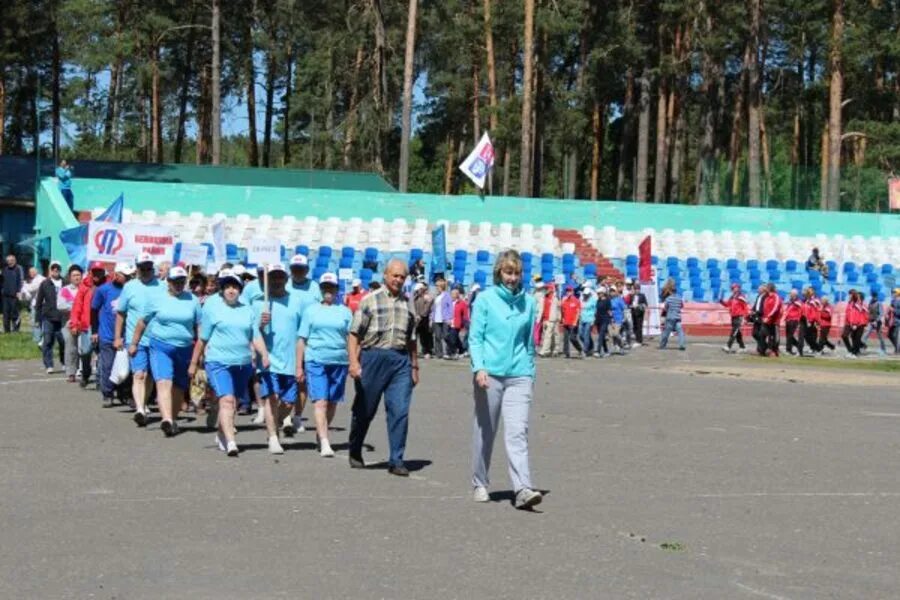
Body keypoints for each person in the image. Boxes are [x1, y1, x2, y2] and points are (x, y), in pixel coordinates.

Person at [468, 249, 542, 509]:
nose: (513, 278)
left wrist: (530, 371)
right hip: (490, 375)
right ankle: (479, 481)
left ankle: (522, 488)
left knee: (517, 432)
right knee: (485, 432)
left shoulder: (529, 302)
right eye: (508, 272)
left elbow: (529, 342)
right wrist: (479, 368)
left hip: (519, 375)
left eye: (517, 273)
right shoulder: (485, 300)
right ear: (499, 272)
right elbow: (475, 338)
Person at [347, 259, 419, 476]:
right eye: (395, 275)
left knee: (400, 410)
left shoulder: (408, 304)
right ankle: (355, 448)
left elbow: (412, 339)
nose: (398, 280)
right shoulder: (370, 300)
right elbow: (354, 334)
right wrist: (353, 362)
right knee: (365, 409)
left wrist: (415, 366)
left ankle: (396, 459)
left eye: (402, 277)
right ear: (386, 275)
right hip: (373, 357)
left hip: (399, 360)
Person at [190, 269, 269, 457]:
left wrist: (264, 354)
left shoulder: (247, 311)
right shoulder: (212, 310)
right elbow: (203, 339)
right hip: (218, 362)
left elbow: (255, 336)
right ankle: (232, 442)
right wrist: (194, 363)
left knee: (232, 402)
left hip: (242, 364)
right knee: (226, 400)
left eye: (235, 287)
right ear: (222, 290)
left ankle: (222, 433)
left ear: (240, 290)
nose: (231, 291)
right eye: (227, 287)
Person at [131, 266, 201, 436]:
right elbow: (142, 322)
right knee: (164, 382)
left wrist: (200, 353)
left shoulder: (193, 300)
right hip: (160, 345)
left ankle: (173, 418)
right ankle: (167, 419)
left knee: (178, 387)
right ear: (168, 282)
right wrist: (134, 343)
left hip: (184, 348)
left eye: (181, 281)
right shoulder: (157, 298)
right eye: (175, 281)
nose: (178, 284)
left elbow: (200, 327)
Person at [296, 272, 353, 458]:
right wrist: (299, 366)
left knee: (332, 402)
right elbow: (302, 339)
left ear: (337, 289)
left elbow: (351, 337)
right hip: (316, 359)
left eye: (331, 287)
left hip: (339, 360)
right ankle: (325, 441)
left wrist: (354, 360)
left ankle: (321, 433)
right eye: (325, 288)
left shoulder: (344, 311)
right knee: (320, 401)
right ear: (320, 290)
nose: (328, 291)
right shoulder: (311, 311)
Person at [255, 263, 302, 451]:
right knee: (272, 398)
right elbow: (252, 333)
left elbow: (302, 334)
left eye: (280, 277)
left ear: (286, 279)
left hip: (290, 361)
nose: (276, 280)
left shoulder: (296, 301)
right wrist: (260, 324)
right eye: (272, 277)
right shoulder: (260, 303)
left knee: (288, 402)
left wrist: (300, 362)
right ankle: (273, 437)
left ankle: (276, 422)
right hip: (269, 360)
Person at [115, 253, 164, 426]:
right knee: (139, 374)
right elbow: (121, 313)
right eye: (142, 268)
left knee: (150, 375)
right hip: (134, 338)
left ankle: (143, 403)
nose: (145, 271)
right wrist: (117, 337)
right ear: (137, 269)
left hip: (158, 338)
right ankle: (140, 409)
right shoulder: (129, 287)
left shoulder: (163, 286)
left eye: (148, 267)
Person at [93, 263, 130, 406]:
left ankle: (124, 394)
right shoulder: (103, 290)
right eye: (124, 276)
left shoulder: (130, 290)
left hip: (126, 335)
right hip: (107, 334)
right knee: (107, 365)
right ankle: (107, 394)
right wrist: (95, 331)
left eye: (128, 276)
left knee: (125, 366)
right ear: (116, 274)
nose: (126, 279)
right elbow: (94, 310)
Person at [71, 263, 106, 388]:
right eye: (94, 272)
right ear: (90, 272)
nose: (97, 274)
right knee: (86, 352)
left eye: (99, 272)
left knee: (102, 352)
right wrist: (74, 324)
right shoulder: (84, 287)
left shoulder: (107, 285)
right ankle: (86, 373)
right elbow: (77, 306)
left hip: (103, 325)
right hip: (88, 325)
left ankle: (100, 379)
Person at [35, 261, 65, 374]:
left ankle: (64, 362)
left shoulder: (65, 282)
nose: (56, 270)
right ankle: (49, 364)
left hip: (62, 317)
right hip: (48, 317)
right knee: (48, 341)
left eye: (57, 268)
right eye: (53, 268)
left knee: (63, 341)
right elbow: (38, 302)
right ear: (50, 270)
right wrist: (37, 319)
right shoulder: (45, 283)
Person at [58, 265, 82, 382]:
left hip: (83, 323)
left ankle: (83, 369)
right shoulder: (65, 290)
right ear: (70, 277)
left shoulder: (86, 289)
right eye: (74, 275)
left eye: (78, 275)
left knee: (83, 348)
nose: (76, 277)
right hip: (69, 323)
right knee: (70, 347)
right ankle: (71, 372)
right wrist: (76, 306)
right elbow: (60, 305)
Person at [720, 283, 749, 353]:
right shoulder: (732, 297)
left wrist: (745, 317)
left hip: (739, 316)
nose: (733, 289)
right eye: (732, 288)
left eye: (735, 288)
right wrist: (721, 301)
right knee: (737, 332)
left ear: (738, 288)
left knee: (734, 331)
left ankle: (728, 346)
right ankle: (742, 347)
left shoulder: (741, 297)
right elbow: (727, 304)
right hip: (733, 316)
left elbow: (745, 307)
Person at [21, 266, 45, 344]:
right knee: (35, 322)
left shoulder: (41, 279)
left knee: (43, 322)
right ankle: (36, 339)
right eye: (30, 272)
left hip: (42, 304)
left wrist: (25, 287)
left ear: (37, 271)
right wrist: (25, 290)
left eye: (33, 271)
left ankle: (42, 339)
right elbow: (26, 296)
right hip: (34, 304)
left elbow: (33, 288)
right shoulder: (29, 281)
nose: (32, 273)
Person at [658, 286, 686, 351]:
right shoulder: (679, 298)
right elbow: (682, 306)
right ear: (676, 291)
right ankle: (681, 345)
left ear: (671, 291)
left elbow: (665, 307)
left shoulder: (668, 298)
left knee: (666, 333)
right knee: (680, 332)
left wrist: (669, 310)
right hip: (678, 317)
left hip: (670, 317)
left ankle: (662, 346)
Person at [841, 289, 867, 357]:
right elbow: (848, 313)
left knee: (856, 338)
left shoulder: (859, 304)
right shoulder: (850, 303)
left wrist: (856, 323)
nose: (849, 296)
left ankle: (855, 352)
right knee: (851, 337)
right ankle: (852, 351)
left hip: (858, 324)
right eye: (849, 294)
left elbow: (859, 314)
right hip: (850, 323)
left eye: (850, 294)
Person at [446, 286, 470, 359]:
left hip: (457, 324)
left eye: (453, 294)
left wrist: (466, 323)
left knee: (452, 338)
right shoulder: (449, 302)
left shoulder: (462, 303)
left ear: (457, 295)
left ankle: (452, 352)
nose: (452, 295)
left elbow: (465, 314)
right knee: (454, 338)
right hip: (449, 323)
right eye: (451, 293)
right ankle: (461, 350)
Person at [430, 277, 451, 359]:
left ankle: (448, 351)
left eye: (437, 286)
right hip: (436, 319)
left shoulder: (447, 296)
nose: (436, 288)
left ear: (441, 287)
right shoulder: (436, 297)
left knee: (445, 336)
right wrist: (431, 319)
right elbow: (433, 309)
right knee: (437, 336)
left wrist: (450, 318)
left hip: (445, 319)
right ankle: (439, 353)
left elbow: (450, 308)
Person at [2, 254, 24, 333]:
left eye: (11, 260)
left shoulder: (19, 268)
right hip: (5, 295)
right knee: (6, 314)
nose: (10, 262)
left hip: (15, 295)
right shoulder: (5, 269)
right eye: (8, 261)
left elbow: (21, 280)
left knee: (15, 314)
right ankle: (6, 330)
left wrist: (19, 291)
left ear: (15, 260)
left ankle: (15, 330)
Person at [861, 290, 887, 356]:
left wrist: (876, 321)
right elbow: (869, 312)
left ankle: (883, 349)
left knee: (880, 336)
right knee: (865, 335)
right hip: (871, 321)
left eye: (875, 297)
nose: (874, 298)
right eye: (873, 296)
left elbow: (881, 314)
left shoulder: (879, 303)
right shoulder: (870, 303)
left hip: (877, 322)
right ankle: (862, 347)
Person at [559, 285, 583, 358]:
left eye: (569, 291)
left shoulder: (576, 301)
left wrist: (575, 321)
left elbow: (578, 312)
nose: (568, 292)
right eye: (567, 291)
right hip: (566, 322)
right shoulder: (564, 301)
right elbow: (562, 311)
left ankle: (580, 349)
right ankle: (566, 353)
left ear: (572, 292)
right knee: (565, 338)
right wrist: (562, 319)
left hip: (573, 323)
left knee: (572, 338)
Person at [761, 283, 783, 357]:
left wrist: (768, 316)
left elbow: (775, 307)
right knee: (765, 334)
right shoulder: (767, 298)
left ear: (769, 288)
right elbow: (765, 309)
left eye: (766, 287)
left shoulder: (776, 297)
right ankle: (768, 349)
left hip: (774, 321)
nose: (765, 289)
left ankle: (775, 350)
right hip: (767, 321)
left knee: (775, 336)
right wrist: (765, 317)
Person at [538, 284, 561, 357]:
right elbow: (541, 309)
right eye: (545, 288)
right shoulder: (543, 298)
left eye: (547, 288)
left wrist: (559, 318)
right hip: (545, 319)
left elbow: (558, 309)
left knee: (554, 335)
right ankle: (548, 350)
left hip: (553, 319)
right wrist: (539, 320)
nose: (546, 290)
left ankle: (550, 350)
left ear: (551, 289)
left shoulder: (555, 299)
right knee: (546, 335)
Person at [412, 282, 434, 358]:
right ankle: (413, 351)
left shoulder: (428, 297)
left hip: (425, 319)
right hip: (417, 319)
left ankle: (427, 351)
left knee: (425, 336)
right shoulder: (415, 298)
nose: (416, 292)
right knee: (414, 336)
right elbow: (413, 307)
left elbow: (427, 309)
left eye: (418, 290)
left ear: (421, 290)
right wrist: (416, 315)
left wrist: (421, 315)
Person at [800, 287, 821, 355]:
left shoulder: (814, 301)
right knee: (806, 335)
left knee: (811, 335)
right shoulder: (806, 301)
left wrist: (814, 320)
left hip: (811, 320)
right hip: (806, 319)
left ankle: (816, 348)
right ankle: (815, 348)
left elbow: (815, 311)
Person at [593, 287, 613, 357]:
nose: (598, 294)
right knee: (602, 337)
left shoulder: (607, 300)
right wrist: (594, 320)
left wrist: (612, 321)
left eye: (599, 293)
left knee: (601, 335)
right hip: (598, 320)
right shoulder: (598, 300)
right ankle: (606, 351)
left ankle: (598, 351)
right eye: (598, 293)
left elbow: (609, 311)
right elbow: (597, 311)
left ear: (603, 293)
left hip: (605, 320)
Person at [578, 285, 597, 356]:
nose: (585, 295)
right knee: (580, 335)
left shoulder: (593, 300)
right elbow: (580, 308)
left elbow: (595, 310)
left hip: (589, 319)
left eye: (586, 294)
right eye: (584, 294)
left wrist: (594, 320)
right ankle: (590, 346)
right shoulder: (581, 299)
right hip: (582, 319)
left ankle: (585, 350)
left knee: (586, 334)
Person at [784, 289, 803, 356]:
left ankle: (788, 349)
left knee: (790, 335)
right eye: (790, 294)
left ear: (795, 294)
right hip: (788, 319)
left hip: (794, 320)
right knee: (788, 336)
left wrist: (798, 319)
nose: (790, 295)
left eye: (791, 294)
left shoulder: (798, 302)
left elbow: (801, 309)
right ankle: (797, 345)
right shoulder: (790, 302)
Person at [609, 287, 627, 354]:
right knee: (611, 335)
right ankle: (613, 348)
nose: (611, 293)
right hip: (611, 320)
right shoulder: (609, 300)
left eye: (613, 291)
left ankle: (622, 345)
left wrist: (624, 318)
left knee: (616, 333)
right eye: (610, 291)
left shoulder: (619, 300)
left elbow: (624, 308)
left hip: (618, 319)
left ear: (615, 292)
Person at [749, 284, 767, 353]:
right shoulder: (758, 296)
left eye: (759, 289)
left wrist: (757, 312)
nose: (758, 290)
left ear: (763, 289)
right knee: (754, 334)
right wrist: (752, 311)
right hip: (756, 317)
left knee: (760, 334)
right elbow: (756, 305)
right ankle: (764, 346)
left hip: (761, 317)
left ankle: (761, 349)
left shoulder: (765, 297)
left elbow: (764, 308)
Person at [890, 288, 900, 353]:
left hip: (898, 321)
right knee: (890, 335)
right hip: (893, 321)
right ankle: (897, 348)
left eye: (894, 292)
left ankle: (897, 350)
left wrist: (894, 310)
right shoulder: (893, 301)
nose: (893, 294)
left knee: (895, 335)